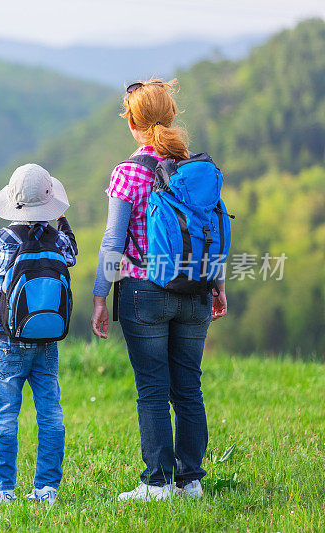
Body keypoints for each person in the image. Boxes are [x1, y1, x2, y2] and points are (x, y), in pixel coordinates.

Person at [91, 79, 228, 501]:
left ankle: (156, 484)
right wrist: (218, 285)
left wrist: (100, 295)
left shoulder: (128, 172)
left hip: (143, 291)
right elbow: (213, 230)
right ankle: (191, 482)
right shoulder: (196, 169)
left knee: (152, 388)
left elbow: (114, 241)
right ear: (169, 118)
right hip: (196, 290)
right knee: (188, 387)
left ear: (133, 123)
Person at [0, 163, 78, 507]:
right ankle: (47, 489)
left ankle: (3, 491)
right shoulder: (59, 240)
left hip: (5, 341)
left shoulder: (4, 238)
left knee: (4, 415)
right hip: (46, 342)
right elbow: (73, 252)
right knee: (50, 413)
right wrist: (61, 218)